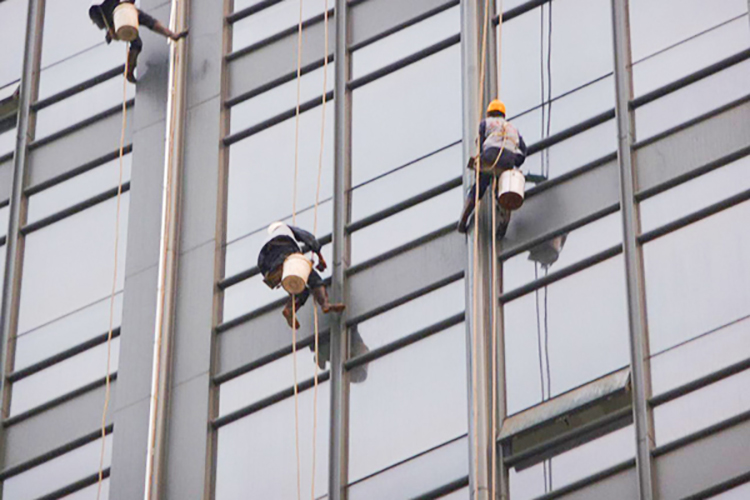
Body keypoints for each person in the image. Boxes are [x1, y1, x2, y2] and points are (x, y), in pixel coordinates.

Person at [458, 99, 527, 233]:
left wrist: (484, 155)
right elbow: (523, 152)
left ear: (489, 113)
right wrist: (515, 161)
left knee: (480, 185)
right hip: (508, 160)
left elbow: (481, 142)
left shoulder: (486, 123)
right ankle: (504, 220)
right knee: (503, 189)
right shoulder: (513, 129)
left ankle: (464, 218)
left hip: (490, 156)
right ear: (503, 115)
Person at [258, 222, 345, 329]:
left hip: (271, 268)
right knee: (313, 278)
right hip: (285, 253)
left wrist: (272, 277)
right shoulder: (285, 229)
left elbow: (261, 264)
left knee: (300, 288)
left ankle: (289, 308)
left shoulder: (266, 242)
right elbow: (307, 237)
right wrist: (320, 257)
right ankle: (325, 304)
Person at [89, 0, 188, 83]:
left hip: (126, 13)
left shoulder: (105, 8)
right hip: (122, 16)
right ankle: (129, 72)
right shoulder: (101, 11)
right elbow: (102, 22)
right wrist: (109, 32)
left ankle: (172, 35)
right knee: (139, 39)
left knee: (147, 25)